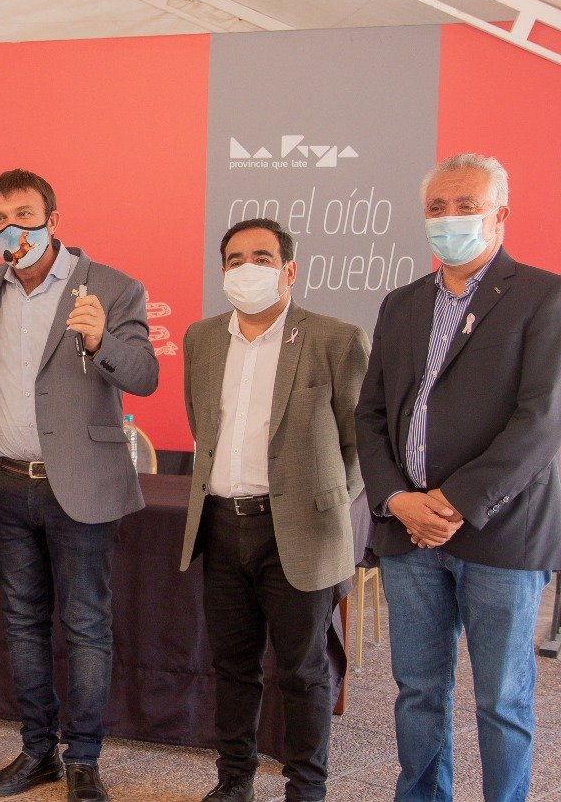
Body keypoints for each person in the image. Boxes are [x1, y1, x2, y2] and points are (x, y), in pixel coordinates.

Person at [355, 153, 561, 802]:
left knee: (501, 697)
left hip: (501, 531)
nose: (450, 219)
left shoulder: (544, 296)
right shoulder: (402, 304)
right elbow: (371, 414)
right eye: (437, 208)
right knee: (418, 691)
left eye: (466, 206)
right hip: (408, 531)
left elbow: (541, 419)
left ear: (500, 215)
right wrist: (398, 499)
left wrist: (452, 502)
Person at [0, 169, 157, 802]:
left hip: (80, 487)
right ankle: (37, 752)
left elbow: (145, 375)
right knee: (22, 624)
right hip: (4, 484)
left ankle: (84, 759)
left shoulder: (112, 286)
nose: (11, 229)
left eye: (24, 215)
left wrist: (101, 340)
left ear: (53, 220)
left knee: (85, 626)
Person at [179, 219, 369, 802]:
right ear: (222, 272)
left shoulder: (336, 339)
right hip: (221, 523)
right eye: (235, 260)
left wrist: (322, 500)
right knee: (233, 665)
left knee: (303, 669)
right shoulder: (201, 339)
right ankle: (234, 779)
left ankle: (306, 786)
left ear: (289, 269)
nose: (247, 269)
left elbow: (359, 443)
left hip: (301, 530)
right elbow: (201, 424)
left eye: (261, 258)